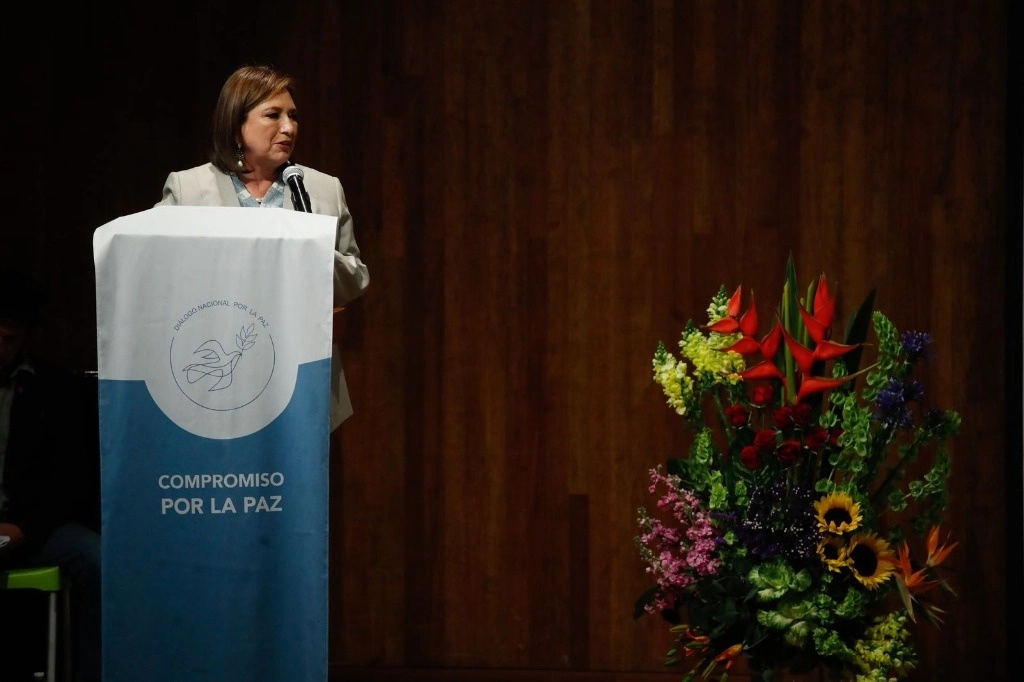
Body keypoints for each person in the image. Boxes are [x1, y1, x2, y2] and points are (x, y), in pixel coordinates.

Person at [156, 63, 370, 431]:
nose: (289, 127)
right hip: (212, 383)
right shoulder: (188, 189)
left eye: (293, 116)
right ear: (236, 127)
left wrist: (314, 250)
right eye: (273, 115)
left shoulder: (322, 189)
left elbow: (355, 280)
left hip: (301, 378)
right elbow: (157, 275)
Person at [0, 269, 101, 682]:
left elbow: (71, 480)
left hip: (29, 528)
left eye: (8, 338)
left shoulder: (53, 389)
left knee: (99, 559)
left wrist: (24, 526)